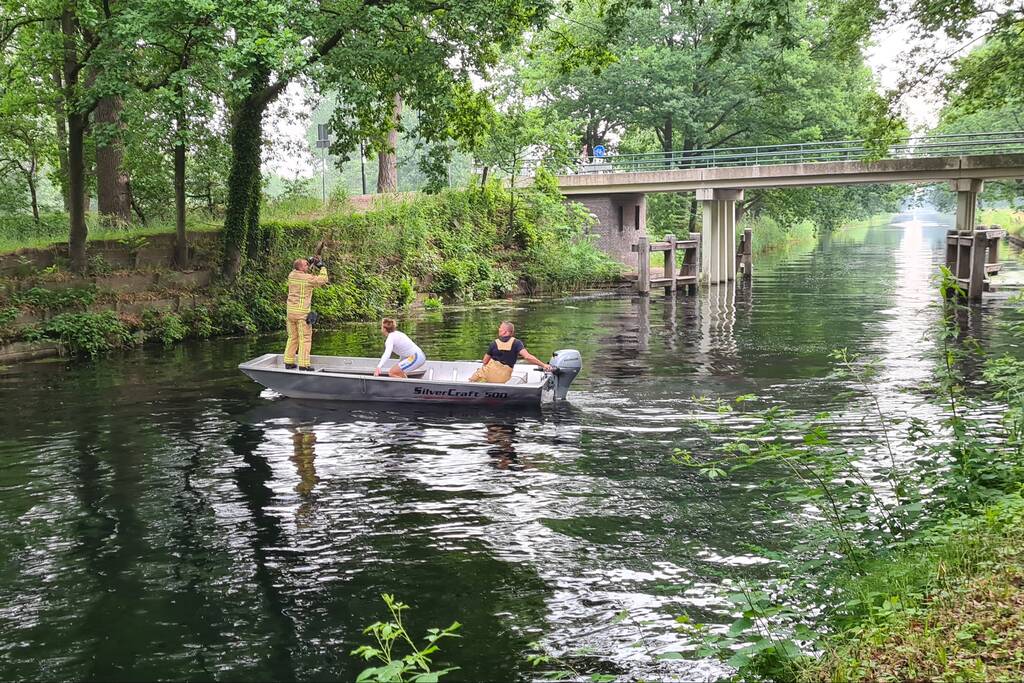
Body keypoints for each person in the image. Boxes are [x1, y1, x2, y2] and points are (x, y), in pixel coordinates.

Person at [469, 321, 552, 383]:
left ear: (505, 331)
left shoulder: (494, 343)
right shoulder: (517, 343)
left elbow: (485, 361)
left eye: (500, 328)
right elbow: (527, 357)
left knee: (473, 380)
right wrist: (544, 365)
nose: (498, 329)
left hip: (486, 374)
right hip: (502, 378)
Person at [283, 256, 329, 371]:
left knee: (292, 337)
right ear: (300, 268)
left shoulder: (291, 275)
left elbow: (300, 267)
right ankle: (303, 364)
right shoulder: (307, 278)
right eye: (306, 265)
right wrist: (322, 267)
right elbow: (323, 279)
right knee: (305, 339)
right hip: (302, 314)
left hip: (290, 313)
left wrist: (310, 262)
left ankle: (288, 362)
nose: (308, 265)